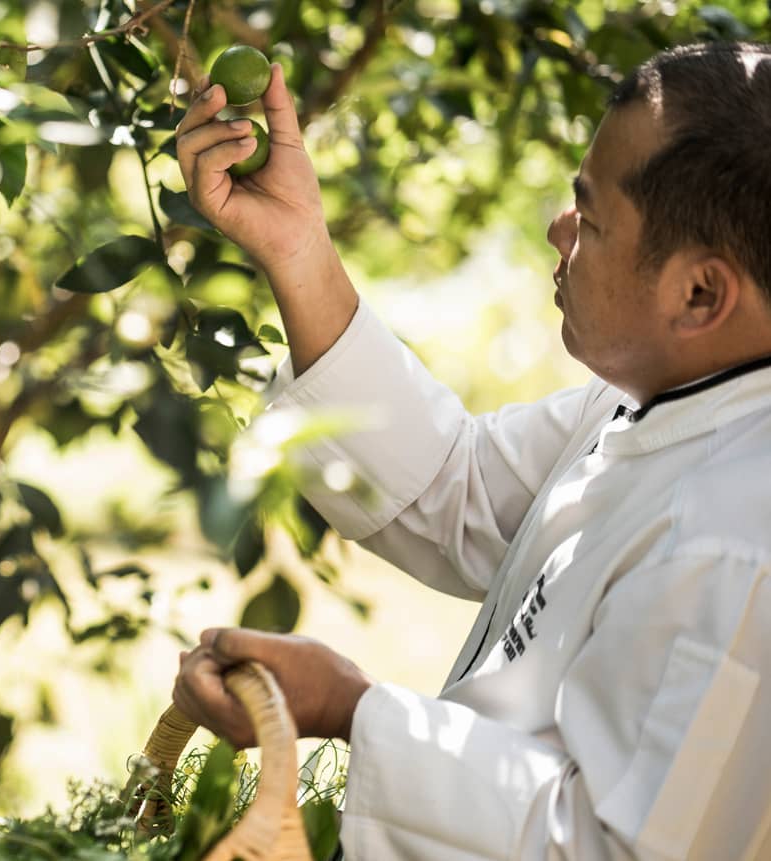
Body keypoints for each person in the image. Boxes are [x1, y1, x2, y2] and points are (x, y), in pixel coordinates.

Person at [170, 41, 771, 859]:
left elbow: (611, 848)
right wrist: (297, 245)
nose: (558, 228)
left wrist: (355, 709)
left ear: (700, 293)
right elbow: (457, 486)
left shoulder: (739, 548)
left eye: (590, 219)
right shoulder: (664, 396)